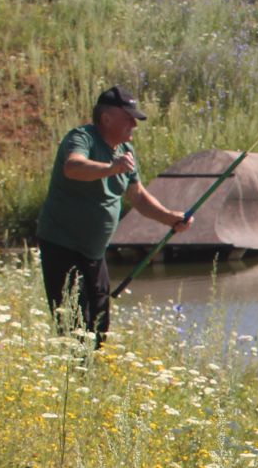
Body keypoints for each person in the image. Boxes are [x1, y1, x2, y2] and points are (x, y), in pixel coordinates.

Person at [35, 86, 190, 347]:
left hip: (94, 252)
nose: (134, 125)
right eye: (128, 117)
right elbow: (73, 167)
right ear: (106, 118)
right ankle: (74, 381)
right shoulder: (82, 138)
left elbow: (138, 196)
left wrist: (170, 218)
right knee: (73, 322)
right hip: (62, 245)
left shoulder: (125, 151)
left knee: (99, 322)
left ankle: (90, 377)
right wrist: (111, 167)